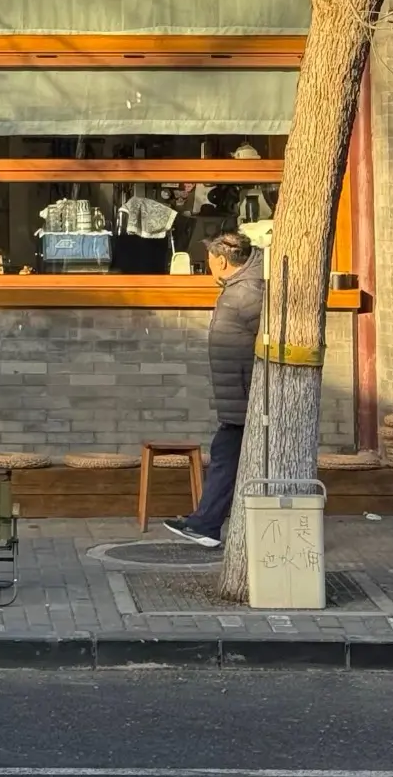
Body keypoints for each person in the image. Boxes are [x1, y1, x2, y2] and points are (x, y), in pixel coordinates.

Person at [163, 230, 265, 548]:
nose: (207, 266)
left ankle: (206, 525)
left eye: (209, 260)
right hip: (240, 394)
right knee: (226, 455)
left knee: (225, 456)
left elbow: (269, 339)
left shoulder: (247, 292)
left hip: (246, 395)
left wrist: (255, 391)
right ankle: (206, 523)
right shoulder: (239, 288)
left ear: (221, 261)